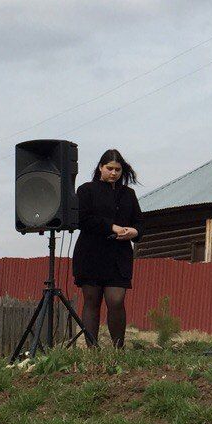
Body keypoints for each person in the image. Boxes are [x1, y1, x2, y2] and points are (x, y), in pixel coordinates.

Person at [72, 148, 143, 348]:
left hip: (118, 256)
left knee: (116, 301)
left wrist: (134, 232)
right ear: (100, 168)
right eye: (109, 168)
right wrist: (110, 226)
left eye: (117, 169)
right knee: (92, 302)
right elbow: (82, 220)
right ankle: (92, 349)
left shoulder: (128, 194)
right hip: (91, 254)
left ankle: (118, 349)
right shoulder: (86, 190)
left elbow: (140, 222)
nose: (113, 173)